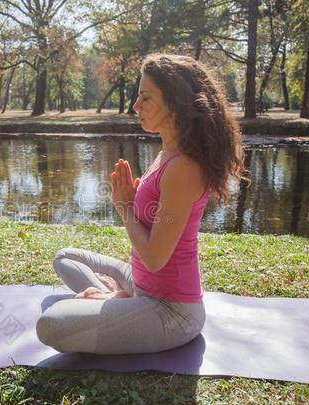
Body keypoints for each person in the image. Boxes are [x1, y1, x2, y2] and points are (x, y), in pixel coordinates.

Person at [35, 53, 249, 354]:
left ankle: (113, 298)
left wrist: (124, 207)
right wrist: (135, 203)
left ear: (176, 103)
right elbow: (155, 227)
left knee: (51, 324)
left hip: (170, 311)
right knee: (65, 258)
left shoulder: (184, 167)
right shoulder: (166, 153)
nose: (136, 106)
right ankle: (115, 296)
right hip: (140, 283)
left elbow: (154, 258)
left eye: (145, 98)